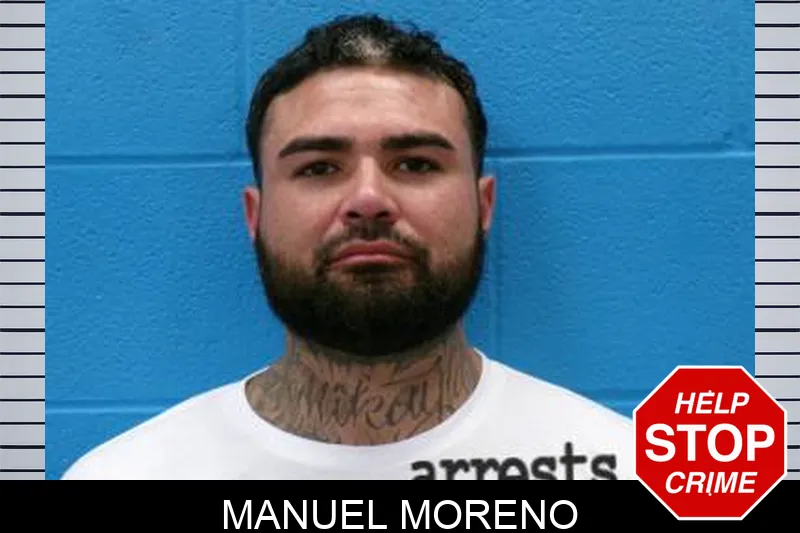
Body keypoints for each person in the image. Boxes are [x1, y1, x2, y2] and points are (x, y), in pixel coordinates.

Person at [62, 14, 634, 480]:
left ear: (484, 206)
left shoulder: (625, 468)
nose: (368, 200)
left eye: (415, 164)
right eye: (319, 168)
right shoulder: (127, 476)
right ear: (255, 216)